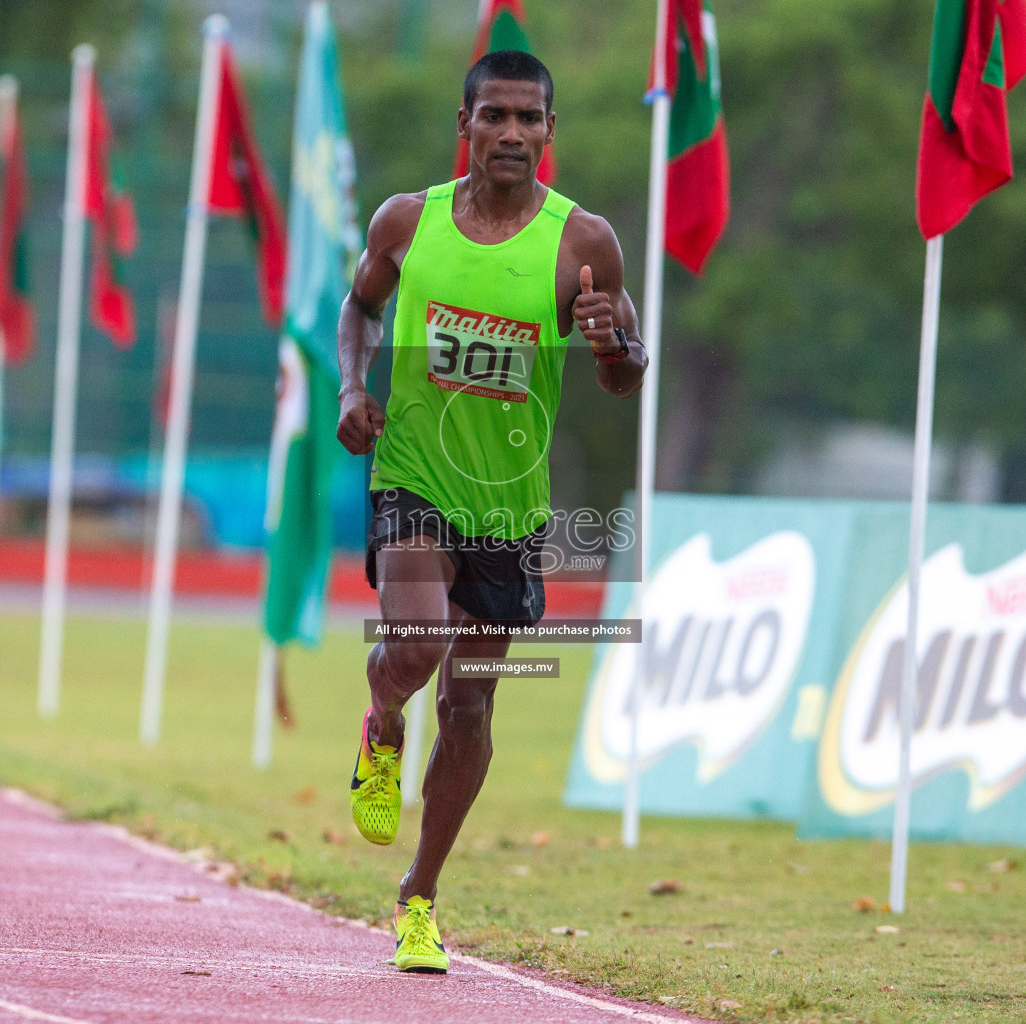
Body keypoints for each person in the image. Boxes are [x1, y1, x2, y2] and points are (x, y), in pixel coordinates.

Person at [335, 49, 646, 973]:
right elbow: (356, 313)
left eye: (529, 119)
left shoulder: (582, 243)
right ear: (463, 127)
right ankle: (383, 721)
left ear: (551, 133)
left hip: (509, 505)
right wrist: (354, 389)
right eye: (494, 116)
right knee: (421, 646)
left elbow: (625, 370)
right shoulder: (407, 222)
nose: (511, 133)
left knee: (470, 710)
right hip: (412, 477)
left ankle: (419, 898)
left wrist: (615, 343)